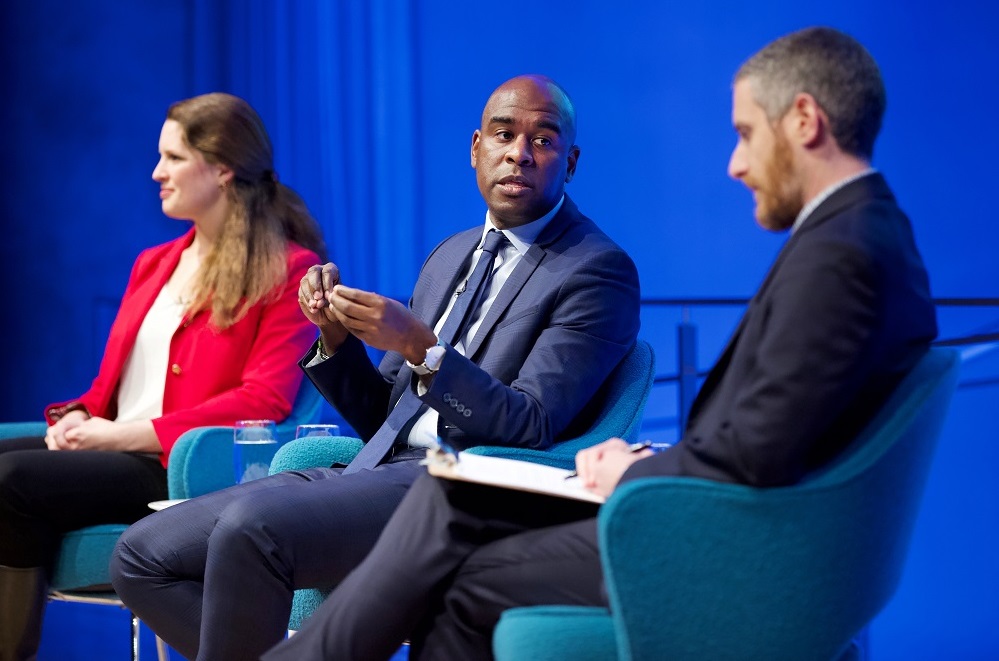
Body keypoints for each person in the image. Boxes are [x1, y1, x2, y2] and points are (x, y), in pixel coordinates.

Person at [259, 27, 939, 661]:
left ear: (803, 120)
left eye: (744, 134)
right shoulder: (862, 236)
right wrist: (653, 457)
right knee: (460, 547)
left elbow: (762, 448)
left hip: (736, 546)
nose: (734, 164)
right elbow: (781, 429)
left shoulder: (842, 256)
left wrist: (633, 473)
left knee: (453, 518)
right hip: (729, 517)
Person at [110, 74, 642, 661]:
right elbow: (382, 416)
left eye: (544, 140)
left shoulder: (596, 270)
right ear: (475, 148)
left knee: (251, 529)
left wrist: (423, 349)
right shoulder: (450, 255)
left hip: (458, 485)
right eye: (504, 133)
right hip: (375, 468)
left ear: (570, 162)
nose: (520, 152)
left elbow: (532, 422)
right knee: (142, 554)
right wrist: (337, 340)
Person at [0, 92, 325, 660]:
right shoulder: (154, 262)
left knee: (11, 481)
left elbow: (265, 399)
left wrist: (115, 435)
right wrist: (78, 416)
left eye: (173, 157)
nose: (156, 172)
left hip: (173, 467)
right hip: (111, 449)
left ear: (221, 169)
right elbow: (111, 393)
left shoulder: (286, 269)